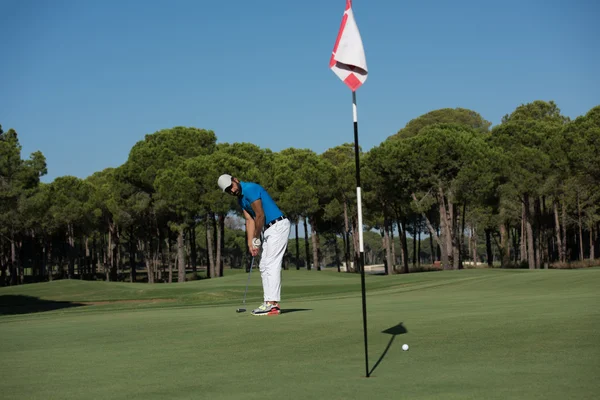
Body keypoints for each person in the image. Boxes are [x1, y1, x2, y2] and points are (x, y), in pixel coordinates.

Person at [218, 174, 291, 316]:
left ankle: (273, 304)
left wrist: (256, 238)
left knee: (271, 263)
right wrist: (251, 243)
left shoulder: (250, 189)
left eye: (231, 187)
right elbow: (249, 220)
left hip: (278, 225)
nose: (232, 191)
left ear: (235, 180)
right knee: (264, 265)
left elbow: (260, 215)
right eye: (228, 190)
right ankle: (268, 302)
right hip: (269, 229)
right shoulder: (240, 200)